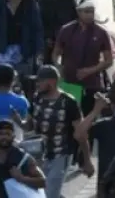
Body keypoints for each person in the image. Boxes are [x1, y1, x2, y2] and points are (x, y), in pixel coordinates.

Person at [27, 64, 92, 197]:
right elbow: (28, 126)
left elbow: (81, 134)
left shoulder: (69, 102)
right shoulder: (36, 98)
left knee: (50, 194)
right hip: (39, 156)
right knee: (43, 192)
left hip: (60, 156)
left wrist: (87, 160)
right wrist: (16, 120)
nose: (37, 84)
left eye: (40, 81)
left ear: (52, 82)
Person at [0, 119, 47, 198]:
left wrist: (22, 178)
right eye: (1, 133)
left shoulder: (24, 158)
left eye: (8, 134)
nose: (4, 137)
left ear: (13, 136)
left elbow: (43, 182)